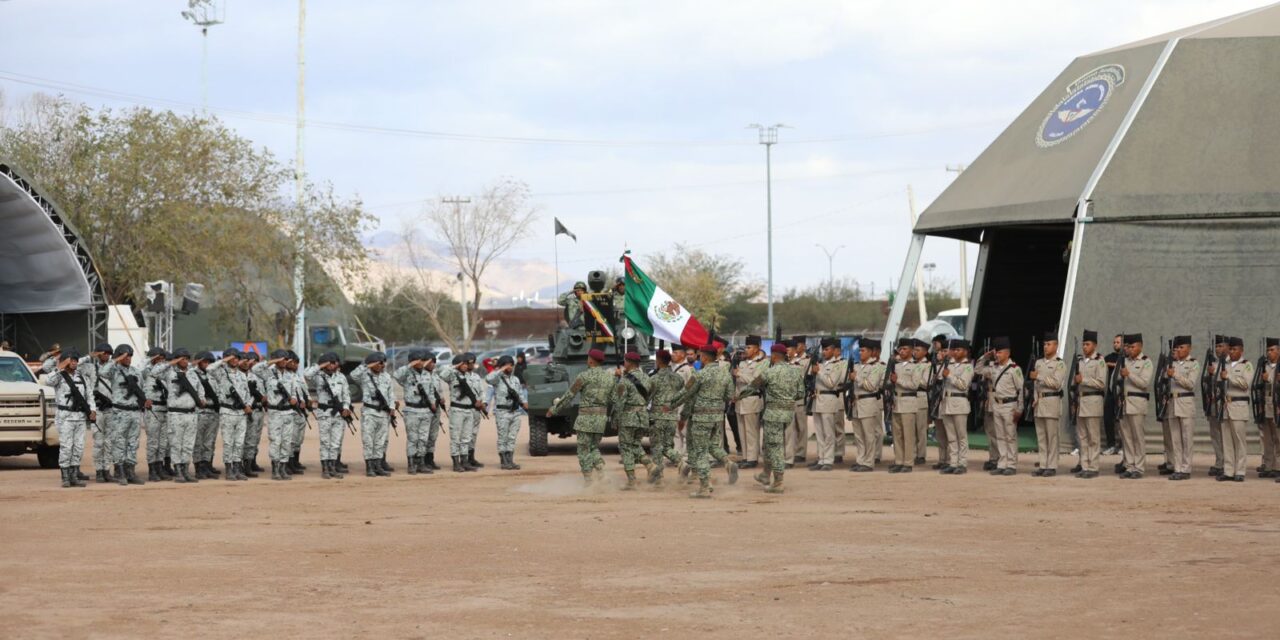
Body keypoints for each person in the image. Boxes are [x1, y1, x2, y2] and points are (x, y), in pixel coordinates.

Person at [673, 345, 738, 498]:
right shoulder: (725, 374)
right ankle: (728, 462)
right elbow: (729, 395)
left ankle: (704, 486)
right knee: (713, 446)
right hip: (717, 417)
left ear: (705, 357)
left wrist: (670, 404)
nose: (699, 358)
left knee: (700, 451)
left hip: (701, 417)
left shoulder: (700, 375)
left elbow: (686, 393)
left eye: (700, 356)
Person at [547, 348, 615, 484]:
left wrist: (554, 410)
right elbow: (613, 399)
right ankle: (602, 473)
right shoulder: (610, 378)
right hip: (601, 419)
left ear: (590, 360)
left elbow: (569, 395)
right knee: (593, 447)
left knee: (583, 450)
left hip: (586, 419)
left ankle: (589, 481)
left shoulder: (583, 376)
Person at [743, 343, 803, 493]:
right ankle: (765, 474)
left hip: (773, 414)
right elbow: (801, 394)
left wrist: (737, 397)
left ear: (774, 356)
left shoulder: (769, 373)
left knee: (775, 447)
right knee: (770, 445)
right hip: (788, 413)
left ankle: (778, 482)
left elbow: (752, 387)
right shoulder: (796, 372)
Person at [100, 344, 149, 485]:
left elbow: (142, 388)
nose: (128, 358)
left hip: (134, 411)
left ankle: (130, 472)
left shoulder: (135, 371)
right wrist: (116, 359)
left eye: (130, 356)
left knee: (133, 443)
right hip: (120, 412)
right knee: (119, 442)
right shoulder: (114, 370)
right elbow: (102, 372)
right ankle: (119, 471)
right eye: (125, 356)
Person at [304, 352, 353, 479]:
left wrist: (346, 407)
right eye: (330, 363)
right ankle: (325, 468)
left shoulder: (341, 377)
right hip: (324, 413)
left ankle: (333, 467)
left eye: (334, 363)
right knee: (325, 442)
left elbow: (346, 395)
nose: (333, 365)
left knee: (336, 442)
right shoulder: (318, 376)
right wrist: (321, 365)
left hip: (338, 413)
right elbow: (306, 374)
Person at [49, 349, 94, 487]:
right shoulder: (59, 376)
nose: (74, 363)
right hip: (65, 417)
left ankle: (74, 476)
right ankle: (65, 477)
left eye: (75, 360)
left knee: (78, 447)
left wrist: (92, 410)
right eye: (71, 361)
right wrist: (60, 367)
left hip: (80, 417)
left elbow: (89, 395)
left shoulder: (82, 377)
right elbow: (48, 381)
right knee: (66, 447)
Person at [252, 350, 299, 481]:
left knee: (286, 441)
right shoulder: (268, 373)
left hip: (288, 412)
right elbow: (255, 368)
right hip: (275, 412)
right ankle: (275, 469)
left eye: (286, 359)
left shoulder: (290, 375)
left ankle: (283, 468)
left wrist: (294, 398)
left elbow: (293, 391)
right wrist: (273, 361)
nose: (285, 361)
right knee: (275, 441)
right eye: (282, 359)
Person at [207, 348, 252, 481]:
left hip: (241, 413)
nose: (234, 360)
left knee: (239, 443)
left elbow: (247, 393)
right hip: (227, 412)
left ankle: (237, 468)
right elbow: (209, 369)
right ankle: (229, 469)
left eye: (236, 358)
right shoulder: (221, 373)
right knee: (228, 443)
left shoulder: (242, 375)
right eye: (232, 358)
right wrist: (224, 360)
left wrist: (248, 405)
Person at [393, 349, 440, 475]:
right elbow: (396, 375)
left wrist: (433, 403)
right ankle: (412, 464)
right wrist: (410, 365)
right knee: (413, 439)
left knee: (423, 439)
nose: (422, 363)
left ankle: (421, 463)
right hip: (412, 410)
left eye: (423, 360)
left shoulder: (426, 374)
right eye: (419, 360)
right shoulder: (407, 373)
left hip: (426, 410)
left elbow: (430, 391)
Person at [613, 351, 656, 489]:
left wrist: (615, 419)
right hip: (642, 417)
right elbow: (649, 396)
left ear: (629, 363)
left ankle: (632, 480)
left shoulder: (625, 381)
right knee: (635, 445)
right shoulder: (648, 378)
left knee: (625, 447)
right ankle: (650, 465)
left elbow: (619, 403)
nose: (624, 363)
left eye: (625, 361)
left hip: (628, 418)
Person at [350, 352, 395, 478]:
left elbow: (391, 393)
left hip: (383, 413)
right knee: (369, 441)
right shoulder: (364, 375)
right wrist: (367, 365)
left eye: (383, 363)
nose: (381, 365)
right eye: (379, 363)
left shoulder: (386, 376)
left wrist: (391, 407)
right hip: (369, 413)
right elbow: (353, 375)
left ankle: (378, 466)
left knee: (380, 442)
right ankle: (369, 467)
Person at [164, 348, 205, 483]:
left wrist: (201, 399)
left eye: (186, 358)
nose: (184, 361)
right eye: (181, 358)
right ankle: (178, 471)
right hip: (176, 413)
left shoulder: (193, 374)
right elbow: (153, 372)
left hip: (191, 414)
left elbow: (200, 390)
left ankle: (186, 470)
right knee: (176, 444)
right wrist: (171, 363)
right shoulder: (169, 373)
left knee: (188, 444)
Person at [1118, 334, 1154, 479]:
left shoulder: (1146, 362)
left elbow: (1144, 383)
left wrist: (1129, 374)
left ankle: (1138, 468)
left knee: (1137, 437)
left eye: (1133, 347)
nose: (1130, 349)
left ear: (1140, 346)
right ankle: (1129, 465)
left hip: (1137, 403)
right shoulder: (1124, 361)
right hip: (1124, 403)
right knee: (1126, 437)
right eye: (1128, 347)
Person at [985, 337, 1023, 476]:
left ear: (1007, 353)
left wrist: (1020, 409)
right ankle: (1002, 464)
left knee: (1010, 436)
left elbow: (1021, 390)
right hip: (997, 404)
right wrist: (985, 357)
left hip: (1009, 405)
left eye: (999, 352)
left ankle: (1011, 465)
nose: (996, 354)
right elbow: (978, 370)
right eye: (996, 352)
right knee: (1000, 436)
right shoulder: (994, 367)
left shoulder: (1015, 369)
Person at [848, 338, 886, 472]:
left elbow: (871, 386)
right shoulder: (857, 366)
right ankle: (861, 459)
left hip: (868, 402)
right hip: (856, 403)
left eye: (863, 350)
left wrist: (856, 378)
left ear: (870, 352)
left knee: (869, 434)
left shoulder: (875, 367)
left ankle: (869, 462)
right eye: (859, 350)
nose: (860, 353)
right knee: (858, 435)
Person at [1031, 332, 1066, 477]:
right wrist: (1034, 399)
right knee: (1041, 436)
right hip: (1039, 403)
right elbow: (1035, 386)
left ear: (1056, 346)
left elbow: (1056, 384)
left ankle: (1051, 466)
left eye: (1049, 344)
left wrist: (1039, 376)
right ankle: (1043, 464)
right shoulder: (1038, 363)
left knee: (1052, 436)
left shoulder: (1060, 363)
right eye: (1044, 344)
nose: (1046, 347)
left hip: (1052, 402)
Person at [1165, 335, 1199, 481]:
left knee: (1186, 438)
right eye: (1177, 348)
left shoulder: (1193, 363)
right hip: (1173, 404)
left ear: (1189, 348)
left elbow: (1191, 384)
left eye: (1181, 347)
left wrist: (1176, 375)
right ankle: (1177, 467)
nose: (1179, 350)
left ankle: (1186, 468)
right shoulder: (1172, 363)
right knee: (1175, 439)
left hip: (1185, 403)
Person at [438, 355, 481, 472]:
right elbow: (441, 374)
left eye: (467, 364)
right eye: (463, 364)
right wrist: (455, 366)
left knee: (466, 438)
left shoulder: (469, 376)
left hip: (469, 410)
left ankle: (465, 461)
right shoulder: (452, 375)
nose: (466, 366)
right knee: (456, 438)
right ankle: (456, 463)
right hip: (457, 410)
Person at [810, 338, 847, 472]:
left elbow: (831, 383)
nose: (824, 352)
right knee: (819, 432)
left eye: (827, 349)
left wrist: (819, 372)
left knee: (829, 432)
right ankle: (821, 459)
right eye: (823, 350)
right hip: (817, 399)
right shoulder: (822, 364)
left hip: (829, 399)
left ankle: (829, 460)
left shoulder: (837, 365)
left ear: (834, 350)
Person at [648, 349, 686, 476]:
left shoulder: (654, 379)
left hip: (657, 417)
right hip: (671, 416)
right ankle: (681, 462)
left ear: (658, 361)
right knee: (667, 447)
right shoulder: (678, 378)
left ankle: (658, 475)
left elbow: (647, 397)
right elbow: (683, 395)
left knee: (657, 447)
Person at [1219, 336, 1252, 483]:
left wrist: (1229, 377)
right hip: (1226, 406)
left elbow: (1245, 383)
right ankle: (1228, 471)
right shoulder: (1224, 364)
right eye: (1230, 349)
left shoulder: (1247, 365)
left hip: (1239, 406)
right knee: (1227, 441)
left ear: (1241, 350)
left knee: (1239, 441)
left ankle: (1240, 471)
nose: (1232, 352)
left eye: (1235, 349)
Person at [80, 342, 114, 483]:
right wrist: (89, 356)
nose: (105, 355)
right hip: (98, 409)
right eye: (103, 353)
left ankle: (107, 470)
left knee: (109, 443)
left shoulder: (114, 367)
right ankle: (99, 471)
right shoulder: (90, 367)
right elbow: (76, 366)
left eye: (107, 353)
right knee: (98, 442)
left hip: (111, 409)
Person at [487, 354, 528, 471]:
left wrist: (524, 403)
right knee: (503, 437)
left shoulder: (515, 379)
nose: (510, 367)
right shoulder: (497, 379)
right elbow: (488, 379)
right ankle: (503, 460)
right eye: (507, 365)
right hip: (502, 411)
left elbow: (519, 393)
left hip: (515, 411)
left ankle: (510, 459)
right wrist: (501, 369)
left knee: (512, 437)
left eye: (511, 365)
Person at [1074, 330, 1106, 479]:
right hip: (1081, 402)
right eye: (1083, 344)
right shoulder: (1080, 361)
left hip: (1093, 402)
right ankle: (1084, 465)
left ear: (1095, 345)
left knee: (1093, 437)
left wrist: (1084, 380)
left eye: (1087, 344)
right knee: (1082, 437)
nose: (1084, 347)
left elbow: (1101, 383)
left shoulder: (1100, 361)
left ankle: (1093, 467)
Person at [732, 335, 767, 469]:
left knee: (751, 431)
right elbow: (738, 384)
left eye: (749, 347)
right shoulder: (742, 363)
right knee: (742, 430)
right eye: (746, 347)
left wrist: (739, 374)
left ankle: (753, 458)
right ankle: (746, 457)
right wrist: (735, 395)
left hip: (752, 399)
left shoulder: (763, 363)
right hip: (740, 401)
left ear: (757, 348)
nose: (746, 350)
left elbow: (755, 381)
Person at [940, 339, 974, 475]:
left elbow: (963, 385)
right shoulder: (949, 364)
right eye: (954, 349)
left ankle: (962, 463)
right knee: (951, 436)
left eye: (958, 350)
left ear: (965, 352)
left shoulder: (968, 367)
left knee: (961, 436)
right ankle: (953, 462)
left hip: (959, 402)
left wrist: (950, 376)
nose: (955, 352)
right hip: (947, 402)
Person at [140, 347, 173, 482]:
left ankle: (160, 467)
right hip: (153, 410)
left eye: (162, 359)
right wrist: (150, 359)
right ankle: (152, 469)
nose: (160, 361)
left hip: (165, 409)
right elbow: (142, 369)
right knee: (153, 442)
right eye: (157, 359)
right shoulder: (146, 371)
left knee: (163, 442)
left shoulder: (166, 372)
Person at [888, 339, 919, 474]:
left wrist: (898, 380)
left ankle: (908, 462)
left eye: (905, 349)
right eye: (900, 349)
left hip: (908, 401)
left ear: (912, 350)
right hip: (896, 401)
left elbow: (914, 385)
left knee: (908, 434)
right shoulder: (897, 365)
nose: (902, 351)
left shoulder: (915, 366)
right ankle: (899, 461)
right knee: (897, 434)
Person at [194, 352, 222, 479]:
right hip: (201, 412)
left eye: (209, 362)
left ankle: (207, 465)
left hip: (213, 412)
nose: (207, 364)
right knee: (198, 441)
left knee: (209, 442)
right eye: (204, 362)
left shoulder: (212, 375)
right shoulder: (193, 374)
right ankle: (198, 467)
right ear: (198, 362)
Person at [1205, 335, 1229, 476]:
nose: (1218, 349)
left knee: (1225, 435)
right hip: (1213, 404)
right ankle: (1219, 462)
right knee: (1215, 435)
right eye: (1217, 346)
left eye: (1221, 346)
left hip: (1224, 405)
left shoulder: (1229, 363)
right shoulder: (1213, 364)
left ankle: (1228, 463)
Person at [239, 352, 266, 477]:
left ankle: (252, 462)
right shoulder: (245, 376)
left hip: (260, 410)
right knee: (247, 439)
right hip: (251, 409)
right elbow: (252, 393)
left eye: (255, 361)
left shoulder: (258, 376)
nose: (253, 363)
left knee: (255, 439)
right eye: (251, 361)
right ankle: (244, 465)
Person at [786, 337, 811, 465]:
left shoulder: (806, 361)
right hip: (788, 398)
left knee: (801, 426)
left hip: (800, 397)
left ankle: (801, 452)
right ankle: (793, 451)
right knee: (791, 428)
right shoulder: (787, 362)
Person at [284, 351, 309, 475]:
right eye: (293, 362)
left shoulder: (297, 376)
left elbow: (302, 391)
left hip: (301, 411)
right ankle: (288, 464)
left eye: (296, 363)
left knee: (298, 439)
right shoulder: (283, 375)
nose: (295, 365)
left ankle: (294, 462)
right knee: (291, 439)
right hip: (290, 411)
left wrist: (306, 401)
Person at [929, 335, 952, 469]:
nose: (941, 353)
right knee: (940, 434)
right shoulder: (936, 365)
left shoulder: (952, 366)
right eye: (940, 351)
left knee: (949, 433)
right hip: (938, 401)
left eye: (944, 351)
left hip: (947, 402)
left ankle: (950, 460)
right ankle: (942, 459)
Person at [463, 352, 489, 468]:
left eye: (473, 362)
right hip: (466, 409)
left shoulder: (476, 377)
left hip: (476, 410)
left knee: (473, 434)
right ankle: (463, 459)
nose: (472, 365)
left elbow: (482, 391)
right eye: (470, 362)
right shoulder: (460, 376)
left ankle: (471, 457)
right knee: (465, 435)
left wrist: (483, 403)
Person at [1102, 334, 1124, 457]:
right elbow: (1103, 363)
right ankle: (1111, 445)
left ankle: (1122, 446)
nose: (1115, 344)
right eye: (1114, 342)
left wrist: (1115, 366)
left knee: (1122, 420)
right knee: (1107, 419)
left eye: (1118, 342)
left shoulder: (1126, 358)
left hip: (1122, 393)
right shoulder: (1109, 357)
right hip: (1111, 392)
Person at [1260, 338, 1279, 479]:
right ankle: (1268, 465)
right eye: (1268, 350)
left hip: (1277, 405)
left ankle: (1278, 467)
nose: (1269, 353)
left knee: (1278, 438)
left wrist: (1268, 380)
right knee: (1267, 438)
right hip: (1266, 405)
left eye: (1272, 350)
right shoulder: (1265, 366)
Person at [911, 339, 931, 466]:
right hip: (910, 397)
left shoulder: (927, 365)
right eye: (914, 350)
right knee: (910, 429)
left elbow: (925, 383)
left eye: (918, 350)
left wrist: (911, 381)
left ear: (925, 352)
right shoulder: (910, 364)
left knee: (921, 429)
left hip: (920, 396)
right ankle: (912, 454)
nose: (915, 352)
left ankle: (921, 454)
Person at [671, 345, 694, 457]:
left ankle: (686, 455)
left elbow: (690, 388)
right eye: (673, 352)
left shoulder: (688, 369)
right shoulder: (671, 367)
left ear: (682, 354)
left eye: (675, 352)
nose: (673, 355)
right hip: (672, 404)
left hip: (683, 403)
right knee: (675, 430)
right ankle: (677, 454)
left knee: (684, 429)